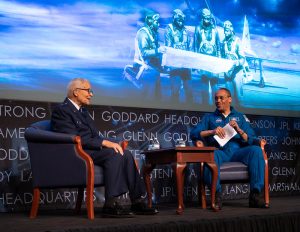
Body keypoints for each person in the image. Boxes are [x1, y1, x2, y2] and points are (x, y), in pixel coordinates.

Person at [51, 78, 158, 217]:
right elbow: (72, 137)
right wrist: (104, 143)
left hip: (90, 150)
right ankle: (110, 205)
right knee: (113, 154)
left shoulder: (83, 112)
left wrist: (109, 143)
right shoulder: (61, 110)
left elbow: (95, 136)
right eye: (88, 91)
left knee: (125, 154)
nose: (91, 94)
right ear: (76, 92)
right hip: (77, 153)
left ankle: (137, 201)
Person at [190, 88, 268, 209]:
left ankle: (255, 195)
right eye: (216, 98)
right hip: (220, 152)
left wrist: (239, 130)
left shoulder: (240, 117)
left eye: (221, 98)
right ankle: (217, 195)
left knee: (256, 150)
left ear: (229, 99)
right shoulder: (209, 117)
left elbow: (251, 138)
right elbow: (194, 133)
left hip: (238, 152)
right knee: (211, 156)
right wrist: (212, 131)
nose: (218, 101)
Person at [123, 10, 166, 102]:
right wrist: (158, 50)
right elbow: (144, 53)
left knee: (157, 94)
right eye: (156, 22)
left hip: (152, 67)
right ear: (150, 21)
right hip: (144, 68)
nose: (158, 25)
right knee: (147, 97)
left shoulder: (153, 33)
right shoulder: (143, 33)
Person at [164, 9, 193, 104]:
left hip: (185, 65)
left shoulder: (185, 30)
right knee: (175, 91)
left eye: (182, 20)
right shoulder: (169, 29)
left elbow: (189, 48)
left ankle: (190, 115)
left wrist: (192, 63)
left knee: (189, 91)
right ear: (174, 19)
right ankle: (174, 114)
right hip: (174, 65)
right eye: (178, 19)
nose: (180, 22)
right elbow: (168, 47)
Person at [194, 8, 221, 105]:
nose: (207, 19)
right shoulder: (198, 29)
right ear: (202, 17)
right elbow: (195, 46)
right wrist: (196, 63)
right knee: (204, 84)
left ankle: (216, 107)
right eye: (205, 17)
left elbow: (218, 46)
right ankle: (205, 106)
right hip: (203, 61)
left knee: (214, 85)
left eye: (208, 17)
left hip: (213, 61)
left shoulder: (215, 30)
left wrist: (219, 61)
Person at [221, 20, 245, 106]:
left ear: (231, 30)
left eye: (227, 30)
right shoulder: (223, 42)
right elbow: (222, 56)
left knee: (239, 97)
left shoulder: (237, 41)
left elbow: (243, 59)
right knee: (228, 97)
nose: (226, 32)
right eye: (225, 30)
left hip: (237, 72)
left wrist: (236, 63)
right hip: (227, 72)